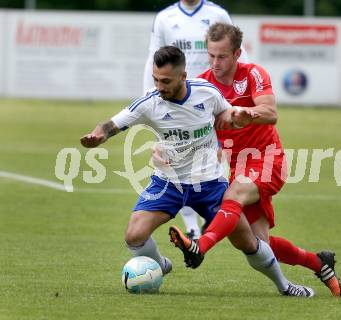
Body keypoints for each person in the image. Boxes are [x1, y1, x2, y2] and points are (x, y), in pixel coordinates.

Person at [81, 46, 314, 297]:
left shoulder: (206, 92)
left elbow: (225, 114)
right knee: (134, 236)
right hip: (169, 183)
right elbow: (112, 124)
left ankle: (285, 286)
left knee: (248, 243)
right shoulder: (150, 102)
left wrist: (239, 118)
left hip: (210, 185)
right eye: (156, 79)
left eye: (166, 81)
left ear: (183, 76)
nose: (160, 86)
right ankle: (160, 265)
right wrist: (99, 135)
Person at [168, 23, 341, 297]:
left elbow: (270, 112)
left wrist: (245, 113)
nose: (215, 62)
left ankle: (199, 247)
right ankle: (318, 262)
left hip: (267, 160)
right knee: (258, 244)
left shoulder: (253, 75)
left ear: (238, 53)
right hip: (237, 166)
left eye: (222, 56)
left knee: (233, 196)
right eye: (211, 55)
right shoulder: (202, 85)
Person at [143, 0, 248, 239]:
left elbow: (238, 56)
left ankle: (215, 217)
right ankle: (191, 226)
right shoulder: (165, 18)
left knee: (214, 158)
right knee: (179, 160)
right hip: (177, 104)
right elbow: (153, 59)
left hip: (212, 99)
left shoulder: (218, 13)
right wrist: (148, 100)